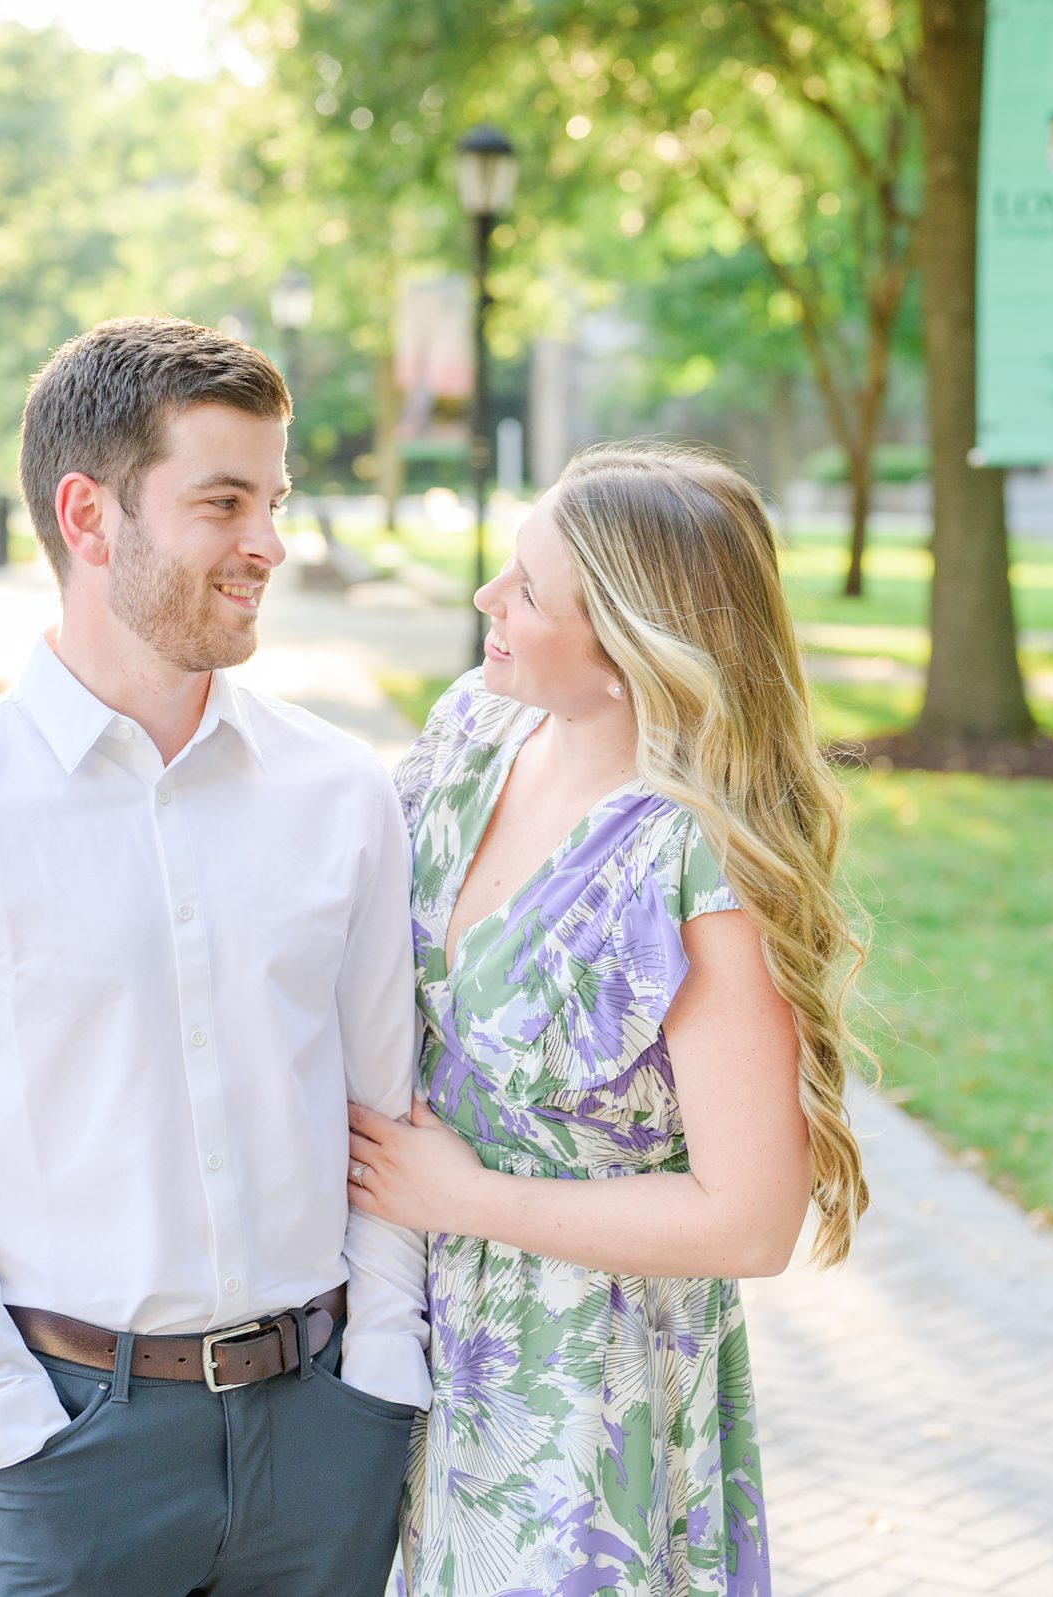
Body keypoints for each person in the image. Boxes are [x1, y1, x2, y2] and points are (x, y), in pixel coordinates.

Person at [0, 316, 427, 1597]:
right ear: (89, 518)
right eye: (223, 501)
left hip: (317, 1443)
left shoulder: (340, 792)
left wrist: (379, 1378)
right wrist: (6, 1420)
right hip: (57, 1457)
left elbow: (386, 1111)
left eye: (275, 500)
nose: (267, 542)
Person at [347, 444, 871, 1597]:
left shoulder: (695, 867)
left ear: (632, 648)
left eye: (528, 590)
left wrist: (466, 1199)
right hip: (407, 1329)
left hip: (582, 1389)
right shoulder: (473, 732)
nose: (488, 597)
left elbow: (750, 1222)